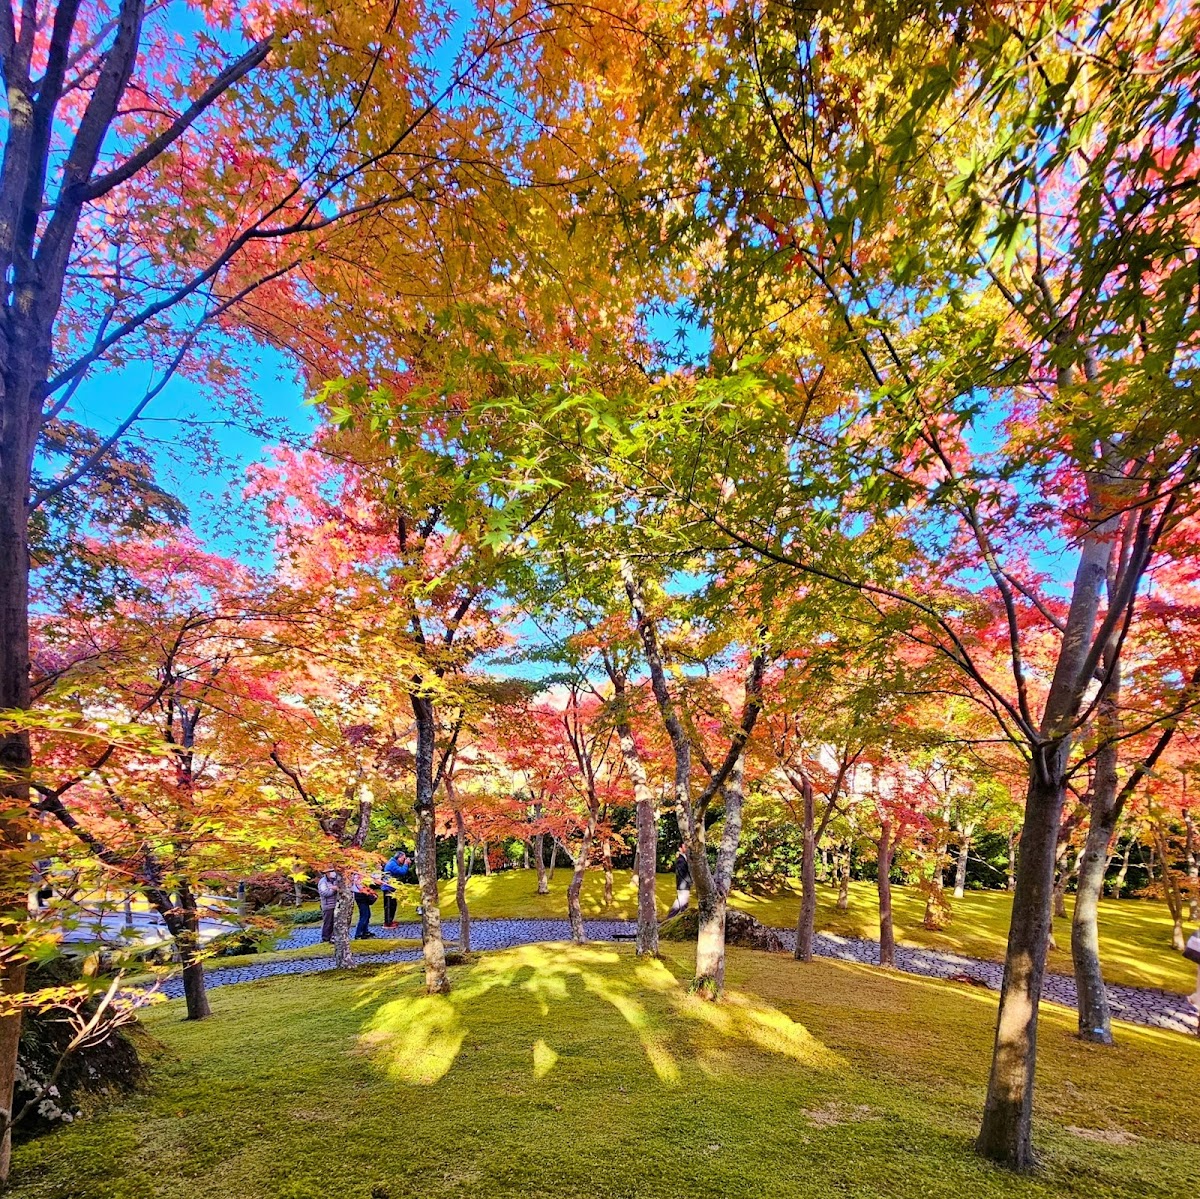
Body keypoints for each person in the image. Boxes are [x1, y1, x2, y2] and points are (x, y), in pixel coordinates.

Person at [665, 845, 691, 919]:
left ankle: (669, 920)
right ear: (680, 848)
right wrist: (690, 881)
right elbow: (681, 873)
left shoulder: (684, 858)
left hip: (683, 885)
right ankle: (683, 921)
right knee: (683, 905)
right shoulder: (680, 860)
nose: (686, 847)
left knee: (679, 904)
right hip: (683, 885)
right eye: (684, 846)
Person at [352, 871, 378, 940]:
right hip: (360, 895)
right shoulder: (357, 876)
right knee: (364, 915)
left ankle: (365, 931)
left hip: (362, 895)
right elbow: (360, 887)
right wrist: (370, 892)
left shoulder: (362, 874)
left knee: (367, 914)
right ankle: (358, 934)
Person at [317, 870, 339, 943]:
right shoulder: (323, 882)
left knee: (335, 922)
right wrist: (334, 890)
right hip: (328, 905)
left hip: (336, 904)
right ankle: (325, 938)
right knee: (328, 922)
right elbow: (325, 893)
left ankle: (333, 937)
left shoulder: (335, 880)